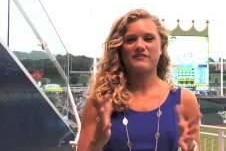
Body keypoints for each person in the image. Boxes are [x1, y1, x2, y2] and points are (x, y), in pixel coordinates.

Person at [77, 9, 201, 151]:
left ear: (161, 47)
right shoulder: (100, 102)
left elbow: (194, 147)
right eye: (130, 40)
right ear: (120, 49)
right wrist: (96, 143)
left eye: (148, 38)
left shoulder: (185, 100)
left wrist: (191, 147)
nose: (140, 46)